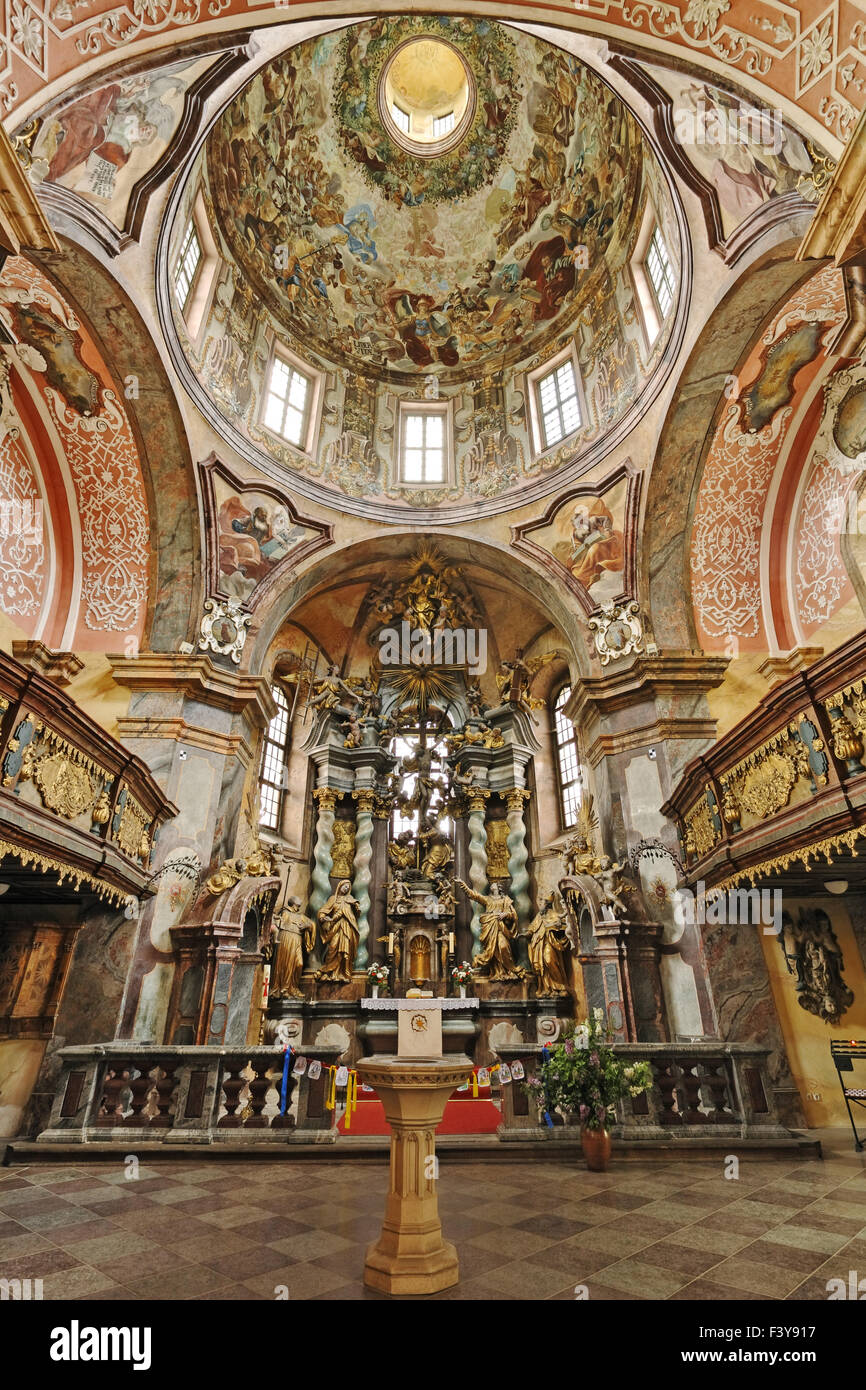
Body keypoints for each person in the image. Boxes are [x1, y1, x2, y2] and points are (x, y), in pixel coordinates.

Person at [455, 878, 523, 980]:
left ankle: (509, 970)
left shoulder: (505, 900)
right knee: (493, 951)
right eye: (491, 884)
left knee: (503, 946)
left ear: (498, 887)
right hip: (489, 928)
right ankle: (497, 972)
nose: (491, 885)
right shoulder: (487, 899)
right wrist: (463, 884)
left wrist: (506, 914)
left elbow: (513, 914)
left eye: (494, 884)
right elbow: (473, 895)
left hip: (500, 928)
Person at [268, 898, 315, 999]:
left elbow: (312, 924)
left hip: (297, 939)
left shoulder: (301, 916)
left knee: (299, 963)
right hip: (285, 938)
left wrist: (307, 925)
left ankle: (293, 987)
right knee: (285, 963)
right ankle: (283, 988)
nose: (299, 903)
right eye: (297, 901)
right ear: (293, 903)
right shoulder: (284, 912)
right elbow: (275, 922)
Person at [525, 894, 571, 997]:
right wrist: (525, 934)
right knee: (541, 967)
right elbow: (531, 928)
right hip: (538, 945)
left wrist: (558, 924)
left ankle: (560, 987)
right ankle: (546, 988)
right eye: (540, 903)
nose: (540, 905)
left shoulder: (552, 914)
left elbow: (560, 923)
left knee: (550, 961)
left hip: (548, 943)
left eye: (542, 903)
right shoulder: (539, 916)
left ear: (547, 905)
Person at [315, 880, 360, 982]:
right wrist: (322, 917)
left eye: (348, 887)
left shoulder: (350, 899)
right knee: (333, 948)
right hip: (335, 928)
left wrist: (356, 908)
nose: (346, 888)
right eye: (345, 886)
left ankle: (343, 974)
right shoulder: (333, 899)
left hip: (347, 927)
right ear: (340, 886)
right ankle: (329, 971)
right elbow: (323, 910)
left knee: (345, 951)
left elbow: (356, 915)